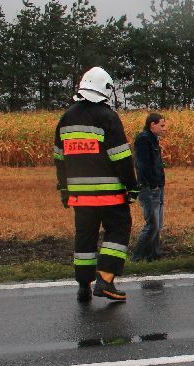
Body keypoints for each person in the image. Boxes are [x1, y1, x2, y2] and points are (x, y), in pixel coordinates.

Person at [53, 67, 138, 302]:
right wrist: (132, 186)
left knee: (85, 238)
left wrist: (64, 189)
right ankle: (106, 279)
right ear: (106, 91)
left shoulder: (66, 118)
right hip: (109, 194)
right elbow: (121, 156)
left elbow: (59, 158)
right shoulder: (107, 117)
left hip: (80, 196)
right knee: (118, 230)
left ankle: (83, 285)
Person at [131, 112, 167, 261]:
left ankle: (153, 255)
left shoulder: (152, 139)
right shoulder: (143, 139)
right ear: (152, 125)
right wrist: (153, 184)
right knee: (152, 224)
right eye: (162, 125)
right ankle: (137, 257)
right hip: (149, 188)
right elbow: (143, 165)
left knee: (158, 224)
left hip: (157, 185)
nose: (164, 129)